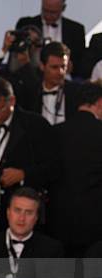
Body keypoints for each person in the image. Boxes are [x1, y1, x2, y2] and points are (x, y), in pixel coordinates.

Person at [0, 77, 57, 233]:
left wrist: (23, 174)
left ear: (12, 101)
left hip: (22, 210)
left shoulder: (36, 126)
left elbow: (54, 166)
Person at [47, 83, 102, 257]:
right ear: (99, 102)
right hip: (96, 222)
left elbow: (48, 172)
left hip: (59, 220)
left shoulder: (55, 132)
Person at [0, 188, 64, 272]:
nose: (22, 218)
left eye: (28, 212)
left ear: (36, 217)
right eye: (17, 210)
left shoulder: (52, 250)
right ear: (8, 213)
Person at [16, 0, 86, 78]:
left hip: (64, 80)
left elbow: (81, 63)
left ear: (63, 8)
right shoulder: (26, 24)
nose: (48, 16)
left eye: (53, 12)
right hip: (31, 77)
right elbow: (16, 56)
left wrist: (71, 67)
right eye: (45, 11)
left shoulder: (76, 30)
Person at [18, 42, 81, 125]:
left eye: (63, 67)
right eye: (54, 67)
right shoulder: (30, 92)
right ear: (42, 66)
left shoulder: (76, 92)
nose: (60, 72)